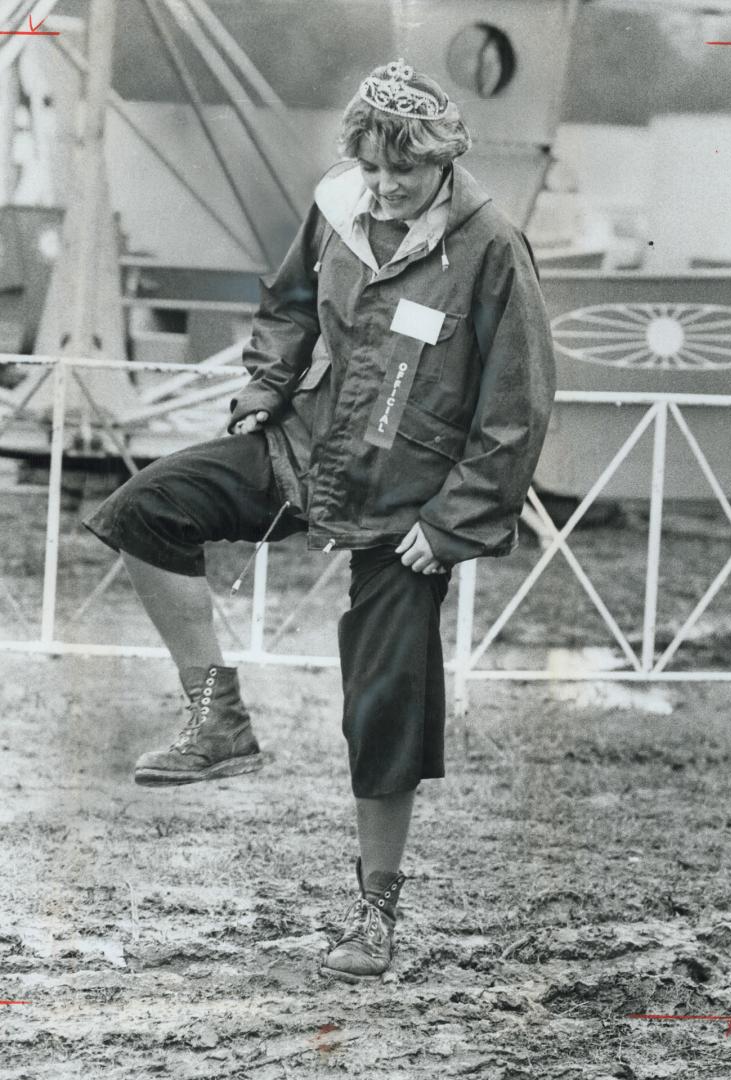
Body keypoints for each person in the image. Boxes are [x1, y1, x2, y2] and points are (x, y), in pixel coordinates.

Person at [84, 59, 556, 982]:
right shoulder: (338, 205)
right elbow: (290, 304)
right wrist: (265, 385)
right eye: (371, 169)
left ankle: (374, 918)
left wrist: (456, 521)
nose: (382, 189)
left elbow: (518, 404)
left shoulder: (493, 246)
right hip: (304, 452)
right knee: (142, 511)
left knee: (383, 710)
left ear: (444, 163)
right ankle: (216, 720)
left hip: (406, 516)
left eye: (402, 175)